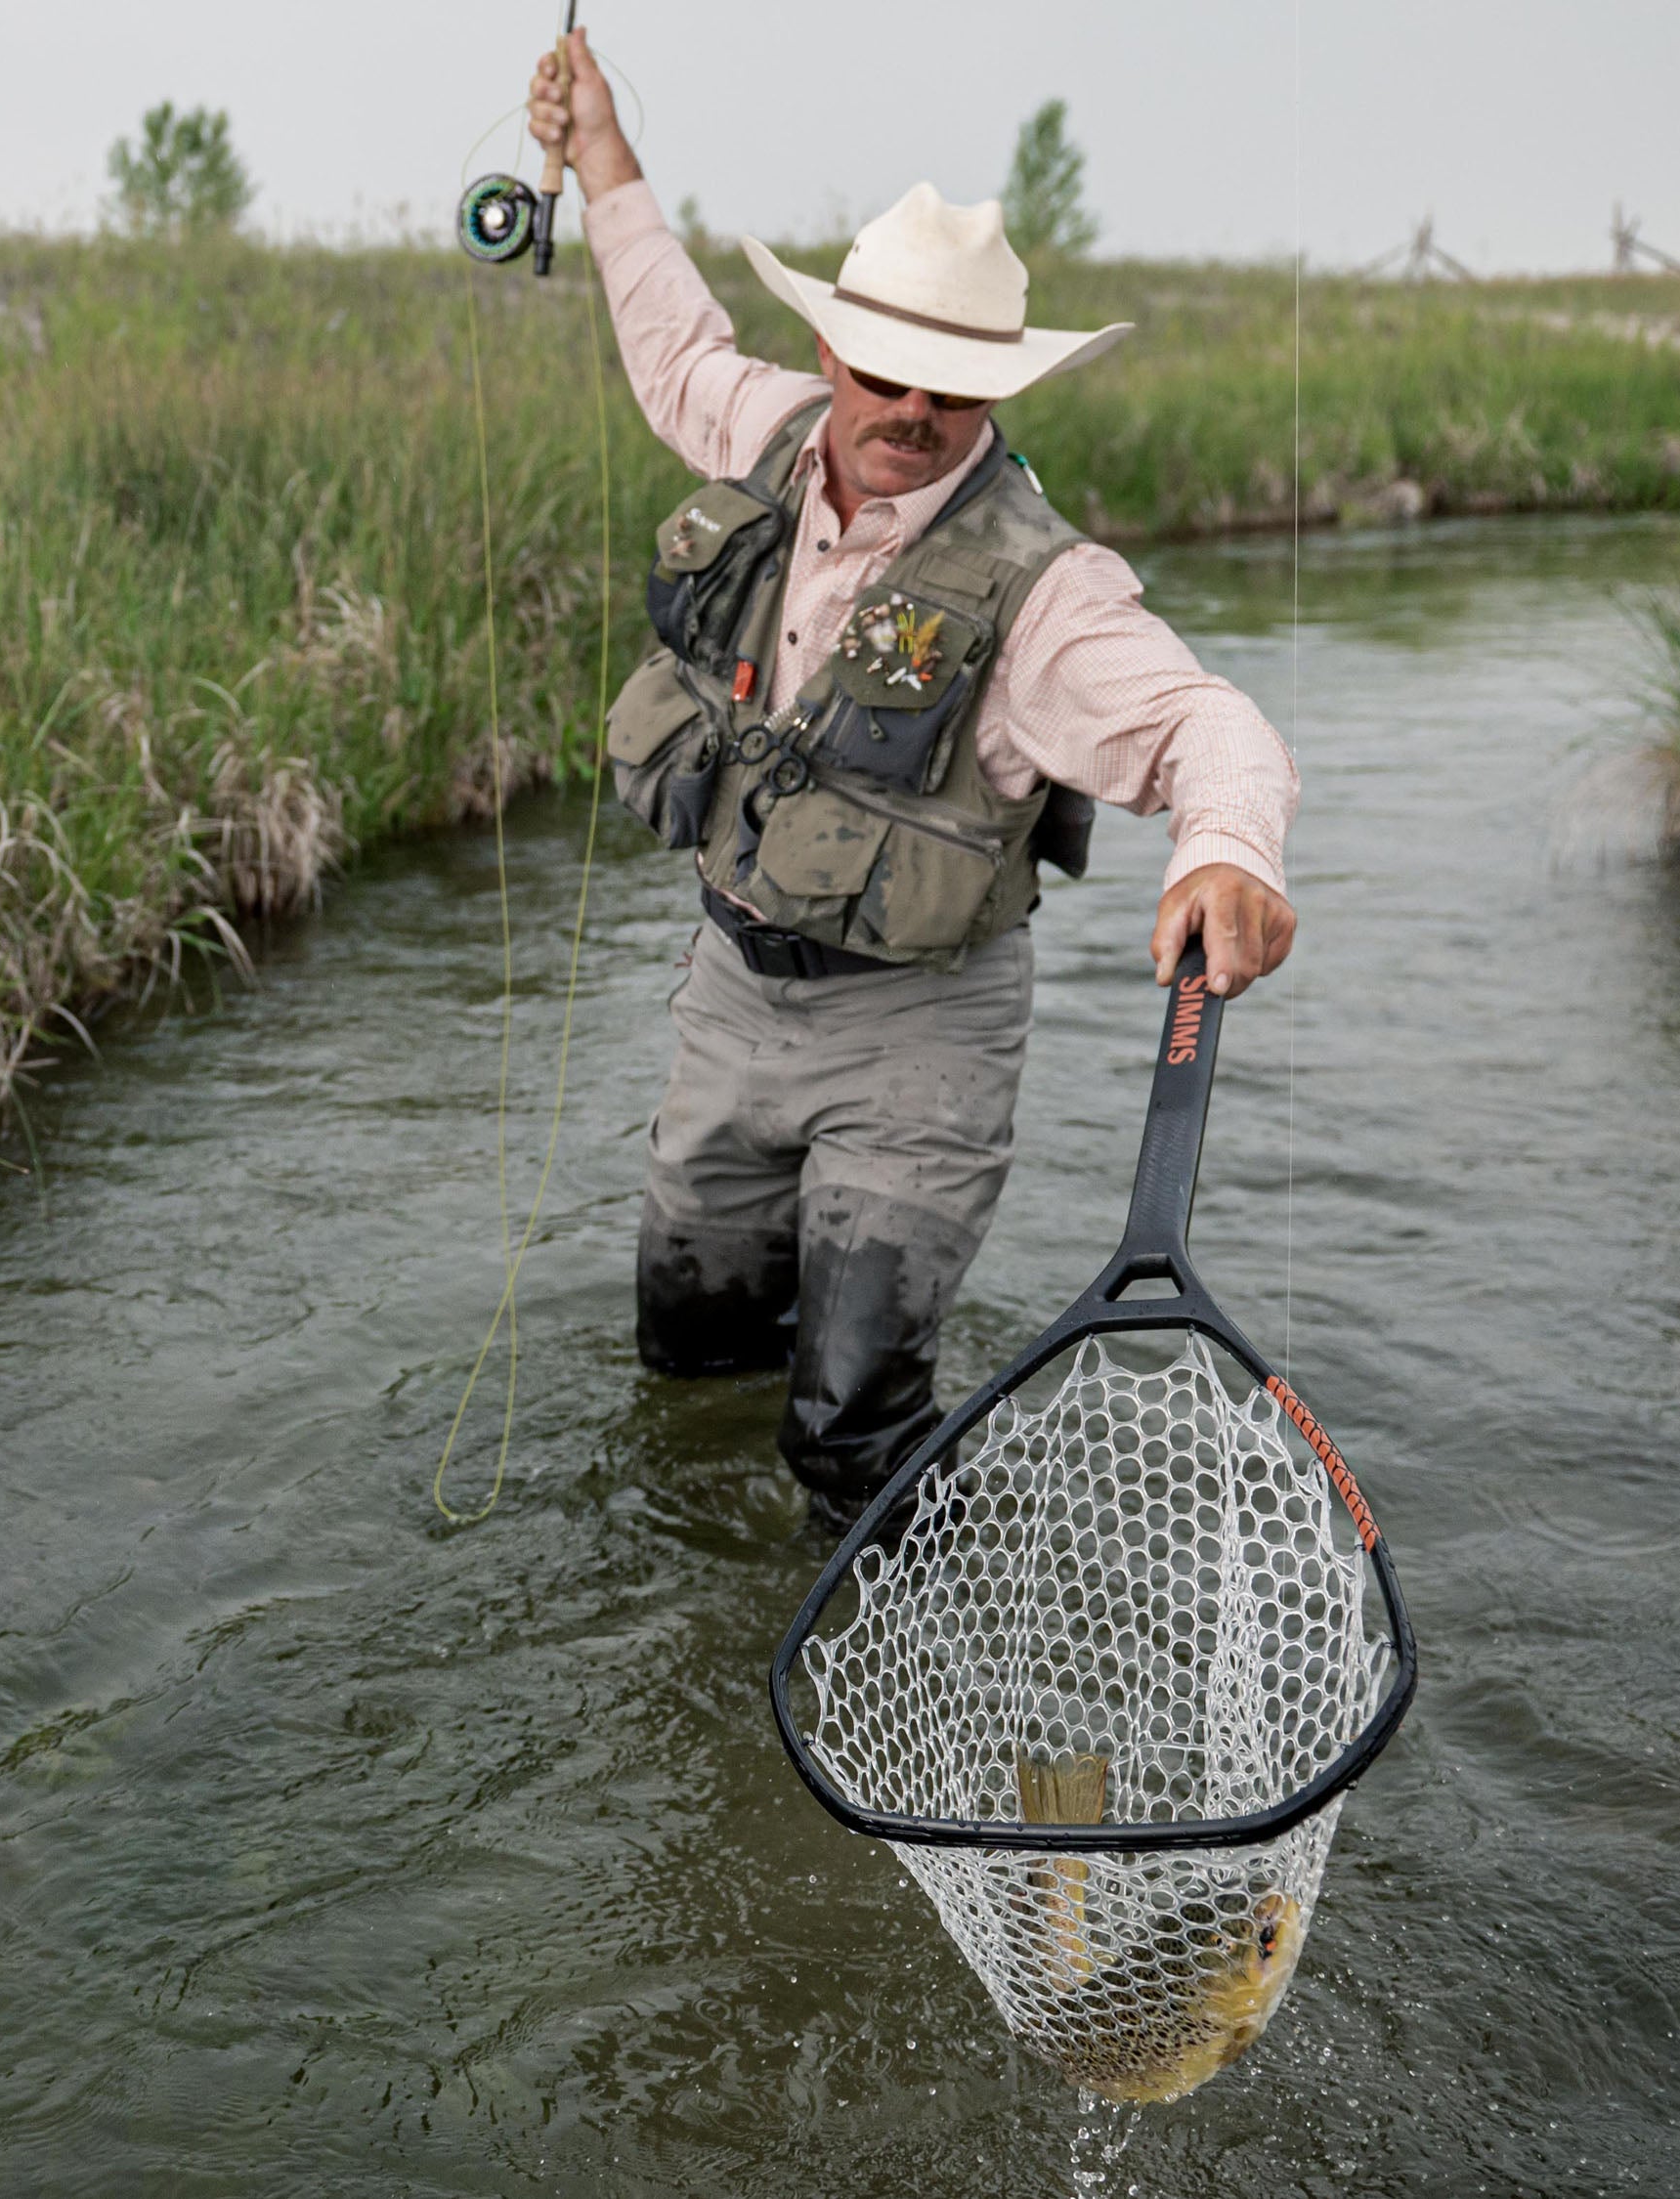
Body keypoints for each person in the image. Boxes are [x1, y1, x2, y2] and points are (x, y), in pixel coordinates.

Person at [529, 32, 1299, 1529]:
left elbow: (1213, 725)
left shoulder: (1049, 592)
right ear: (829, 354)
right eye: (887, 374)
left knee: (850, 1434)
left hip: (920, 1035)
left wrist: (1231, 849)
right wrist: (605, 156)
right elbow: (668, 334)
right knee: (687, 1362)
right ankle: (706, 1617)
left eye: (956, 389)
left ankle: (887, 1654)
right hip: (730, 995)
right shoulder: (768, 432)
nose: (914, 415)